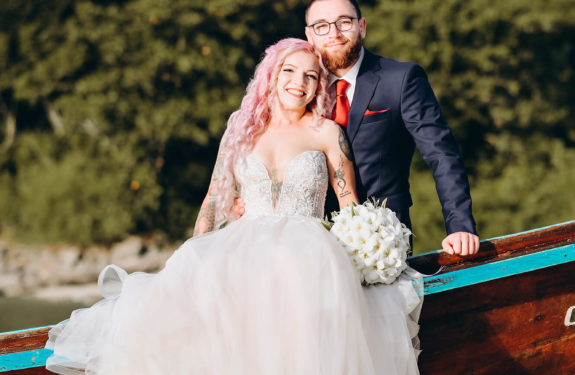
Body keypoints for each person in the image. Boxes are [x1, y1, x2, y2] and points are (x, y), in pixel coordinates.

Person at [45, 38, 422, 375]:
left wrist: (365, 253)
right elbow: (213, 198)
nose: (299, 82)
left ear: (318, 84)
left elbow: (348, 203)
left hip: (307, 255)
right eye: (289, 71)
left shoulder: (325, 132)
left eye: (310, 76)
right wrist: (191, 255)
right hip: (242, 248)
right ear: (270, 75)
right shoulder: (241, 127)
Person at [305, 0, 480, 256]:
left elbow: (441, 155)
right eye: (321, 25)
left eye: (344, 22)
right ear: (309, 35)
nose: (334, 33)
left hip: (383, 241)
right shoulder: (297, 86)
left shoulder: (401, 79)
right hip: (312, 243)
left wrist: (460, 226)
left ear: (362, 26)